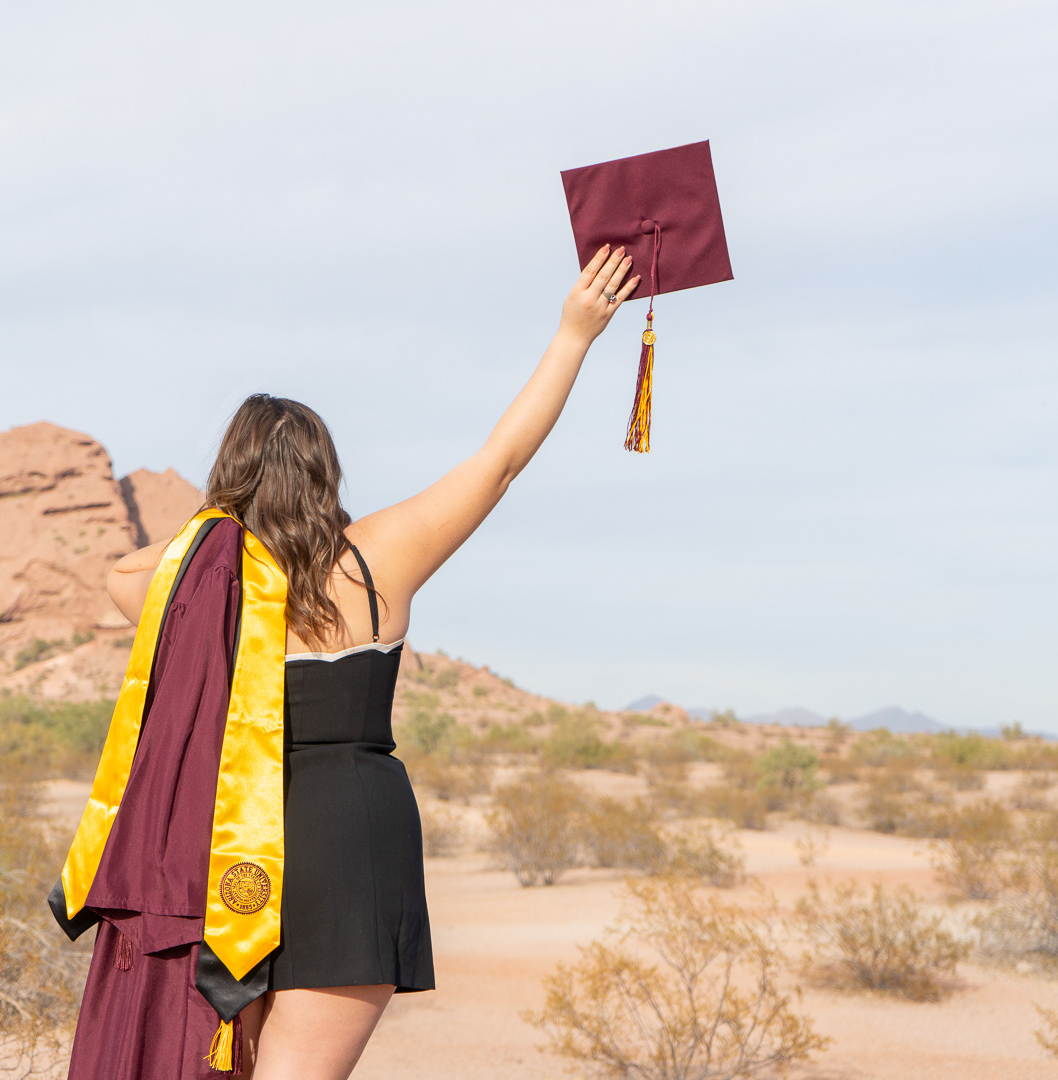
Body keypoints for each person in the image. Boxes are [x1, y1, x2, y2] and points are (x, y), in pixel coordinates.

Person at [69, 244, 638, 1080]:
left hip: (234, 848)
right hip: (354, 839)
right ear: (326, 470)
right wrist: (574, 335)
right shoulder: (380, 556)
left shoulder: (202, 586)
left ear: (231, 479)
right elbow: (500, 462)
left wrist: (220, 523)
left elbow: (117, 575)